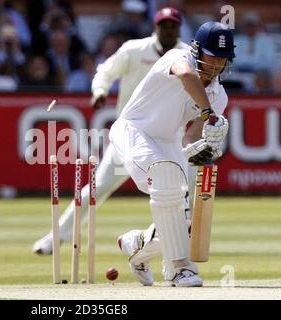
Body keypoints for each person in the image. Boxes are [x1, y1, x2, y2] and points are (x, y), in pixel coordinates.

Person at [33, 7, 189, 254]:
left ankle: (174, 243)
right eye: (164, 26)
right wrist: (100, 91)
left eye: (173, 26)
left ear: (179, 28)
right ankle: (56, 237)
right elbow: (106, 71)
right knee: (95, 189)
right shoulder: (134, 50)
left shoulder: (186, 54)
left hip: (167, 138)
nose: (169, 30)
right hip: (130, 137)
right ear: (155, 27)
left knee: (181, 194)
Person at [109, 21, 233, 286]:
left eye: (222, 59)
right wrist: (210, 115)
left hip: (169, 142)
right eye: (212, 56)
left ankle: (135, 244)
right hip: (134, 130)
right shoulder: (178, 57)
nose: (216, 64)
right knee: (166, 180)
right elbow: (187, 76)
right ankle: (179, 269)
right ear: (198, 50)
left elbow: (191, 135)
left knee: (184, 221)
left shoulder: (218, 95)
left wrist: (204, 147)